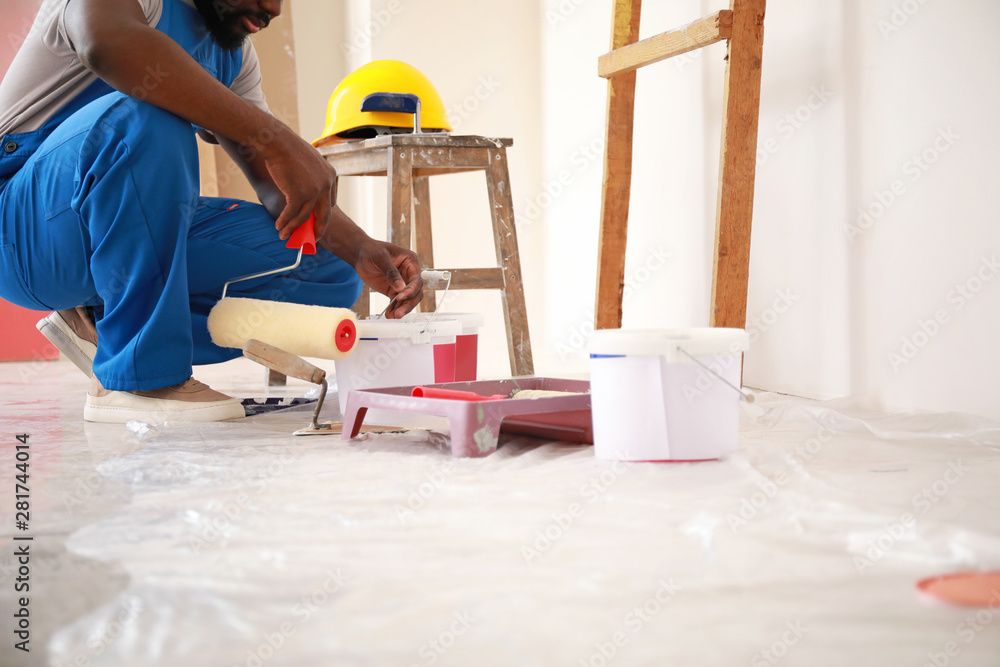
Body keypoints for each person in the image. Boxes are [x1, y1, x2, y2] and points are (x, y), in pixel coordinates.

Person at [0, 0, 424, 422]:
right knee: (150, 115)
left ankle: (103, 321)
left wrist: (362, 249)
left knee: (329, 270)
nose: (272, 8)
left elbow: (278, 187)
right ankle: (139, 378)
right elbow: (106, 43)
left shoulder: (234, 57)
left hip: (119, 234)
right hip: (22, 228)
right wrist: (277, 139)